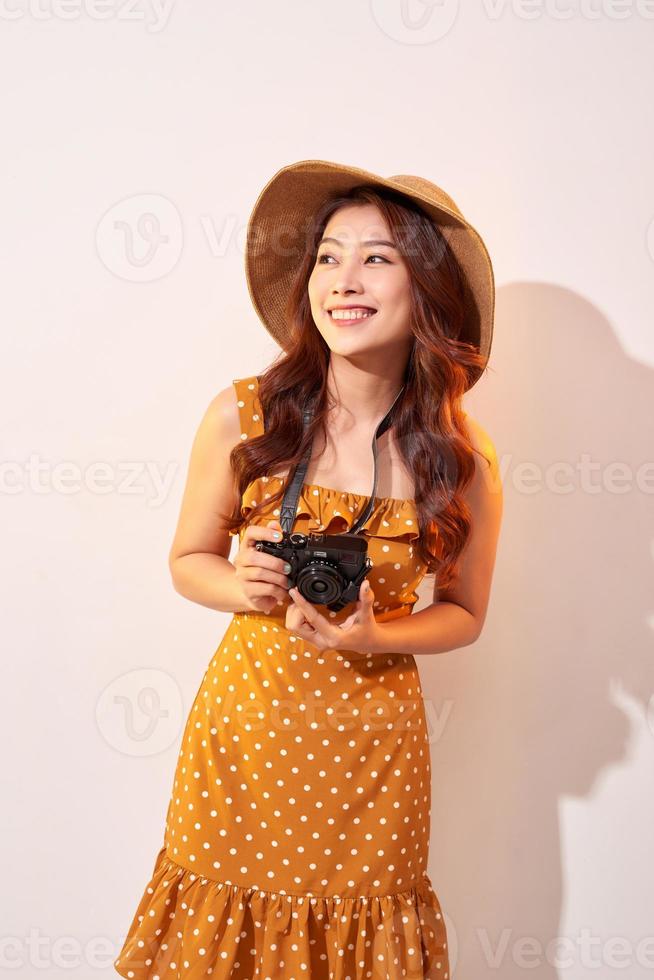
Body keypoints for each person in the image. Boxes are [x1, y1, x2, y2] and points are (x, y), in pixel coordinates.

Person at [114, 159, 503, 979]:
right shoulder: (246, 414)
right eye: (328, 256)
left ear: (425, 286)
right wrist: (239, 583)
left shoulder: (461, 460)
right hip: (244, 744)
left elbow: (466, 613)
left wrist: (376, 633)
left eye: (377, 257)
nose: (343, 280)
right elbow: (187, 559)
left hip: (374, 755)